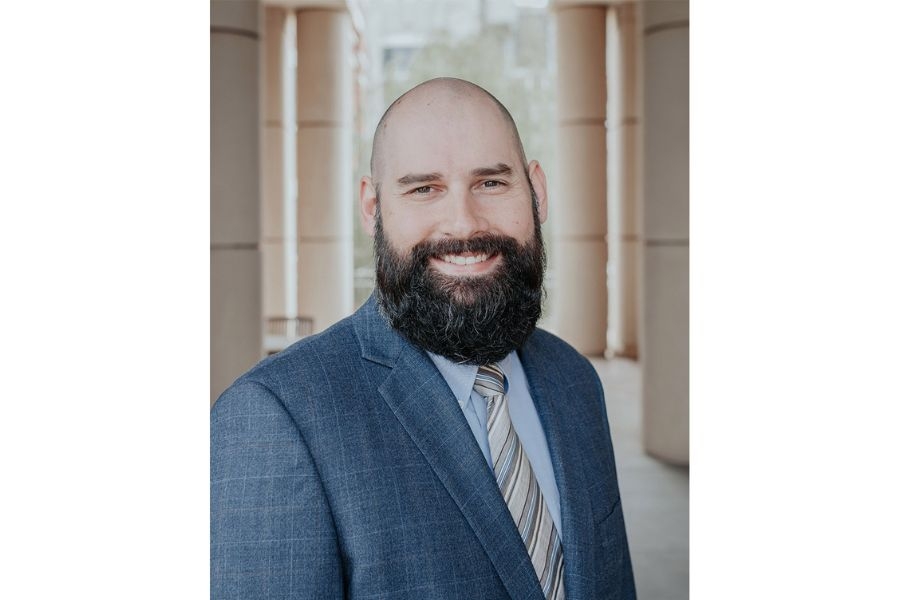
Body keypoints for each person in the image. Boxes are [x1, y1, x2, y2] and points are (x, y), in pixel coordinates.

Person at [211, 77, 635, 600]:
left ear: (536, 192)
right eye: (423, 189)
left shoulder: (575, 380)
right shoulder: (273, 418)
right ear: (373, 208)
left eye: (491, 183)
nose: (464, 224)